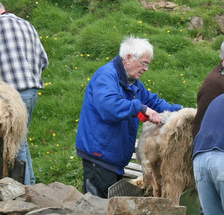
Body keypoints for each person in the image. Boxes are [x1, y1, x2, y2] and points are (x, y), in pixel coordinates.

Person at [76, 37, 182, 198]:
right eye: (144, 63)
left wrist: (181, 112)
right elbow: (109, 107)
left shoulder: (132, 83)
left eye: (147, 64)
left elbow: (153, 102)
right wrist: (140, 108)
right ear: (128, 58)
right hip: (99, 155)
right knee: (97, 206)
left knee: (110, 204)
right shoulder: (106, 76)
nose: (146, 68)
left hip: (114, 157)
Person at [0, 0, 48, 184]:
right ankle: (31, 184)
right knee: (20, 138)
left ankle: (25, 189)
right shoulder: (27, 25)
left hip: (9, 94)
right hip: (31, 90)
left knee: (14, 142)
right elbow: (44, 60)